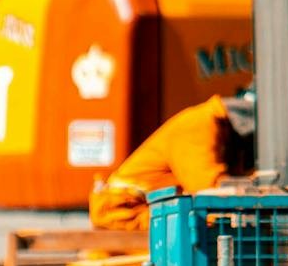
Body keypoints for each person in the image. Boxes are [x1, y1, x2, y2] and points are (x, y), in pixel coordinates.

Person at [87, 89, 255, 234]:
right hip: (126, 215)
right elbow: (210, 193)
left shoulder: (216, 128)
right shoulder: (197, 126)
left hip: (150, 213)